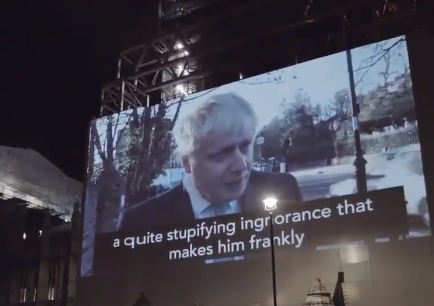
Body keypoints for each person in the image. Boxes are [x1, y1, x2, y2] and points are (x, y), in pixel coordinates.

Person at [117, 92, 303, 233]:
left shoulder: (284, 189)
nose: (241, 166)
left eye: (245, 146)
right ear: (187, 163)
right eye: (221, 154)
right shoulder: (139, 222)